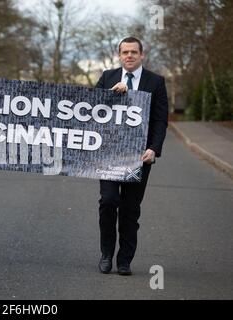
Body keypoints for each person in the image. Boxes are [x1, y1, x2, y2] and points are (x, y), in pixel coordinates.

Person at [95, 37, 168, 275]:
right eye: (125, 52)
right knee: (108, 202)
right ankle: (106, 254)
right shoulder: (107, 77)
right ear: (119, 55)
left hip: (140, 156)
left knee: (130, 209)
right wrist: (110, 95)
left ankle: (124, 260)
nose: (129, 56)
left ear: (141, 55)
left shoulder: (155, 81)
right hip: (109, 154)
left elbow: (160, 120)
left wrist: (154, 149)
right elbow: (89, 110)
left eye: (133, 52)